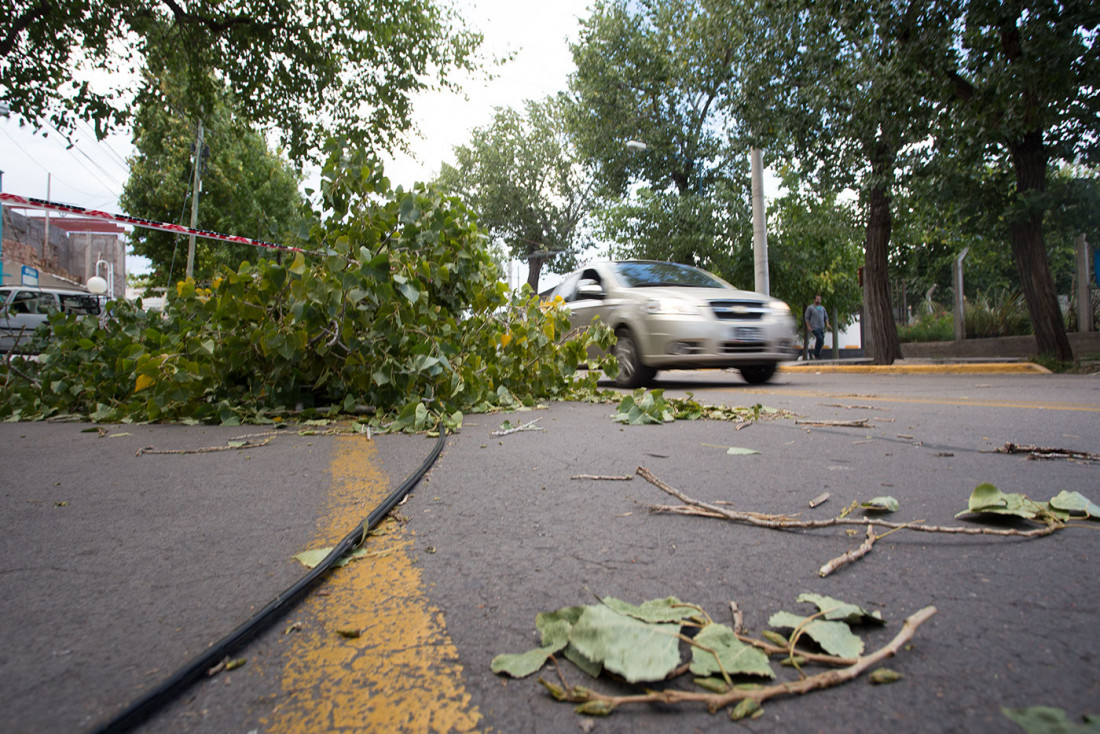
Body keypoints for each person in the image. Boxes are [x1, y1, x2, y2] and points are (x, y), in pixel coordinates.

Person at [804, 294, 830, 360]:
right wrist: (808, 326)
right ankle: (816, 354)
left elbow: (826, 317)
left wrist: (827, 323)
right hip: (814, 327)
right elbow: (806, 318)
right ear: (814, 300)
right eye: (817, 299)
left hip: (821, 327)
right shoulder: (810, 308)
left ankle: (817, 355)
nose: (818, 300)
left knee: (821, 341)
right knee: (819, 338)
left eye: (819, 299)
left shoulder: (822, 308)